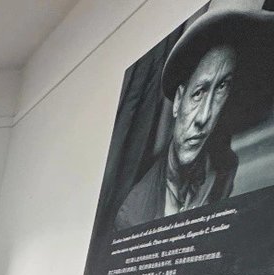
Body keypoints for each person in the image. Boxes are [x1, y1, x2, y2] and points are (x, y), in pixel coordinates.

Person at [112, 3, 274, 229]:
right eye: (198, 93)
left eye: (221, 87)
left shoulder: (224, 166)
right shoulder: (133, 213)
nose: (204, 117)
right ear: (178, 100)